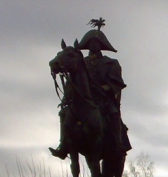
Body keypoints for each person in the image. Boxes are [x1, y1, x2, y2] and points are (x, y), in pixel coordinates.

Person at [50, 23, 130, 160]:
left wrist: (107, 88)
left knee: (114, 113)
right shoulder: (82, 61)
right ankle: (63, 145)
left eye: (97, 43)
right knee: (64, 113)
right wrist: (66, 97)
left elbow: (116, 82)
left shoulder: (110, 62)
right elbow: (73, 80)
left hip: (103, 99)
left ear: (102, 45)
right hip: (83, 98)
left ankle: (117, 143)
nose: (94, 45)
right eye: (91, 42)